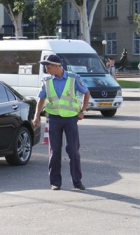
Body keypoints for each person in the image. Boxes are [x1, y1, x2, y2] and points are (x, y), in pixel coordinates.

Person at [32, 55, 90, 191]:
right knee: (55, 151)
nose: (47, 70)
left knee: (73, 151)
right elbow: (41, 99)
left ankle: (77, 181)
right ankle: (55, 182)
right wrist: (36, 117)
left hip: (70, 119)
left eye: (49, 67)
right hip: (54, 119)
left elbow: (87, 93)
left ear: (57, 66)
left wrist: (83, 111)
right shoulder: (47, 81)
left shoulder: (73, 78)